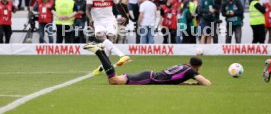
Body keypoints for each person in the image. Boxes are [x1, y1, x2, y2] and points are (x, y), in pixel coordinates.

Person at [83, 42, 211, 86]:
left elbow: (173, 78)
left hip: (149, 75)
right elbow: (207, 83)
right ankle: (99, 52)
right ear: (197, 67)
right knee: (113, 80)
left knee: (113, 81)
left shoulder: (183, 66)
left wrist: (189, 83)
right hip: (148, 78)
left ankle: (100, 50)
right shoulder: (191, 71)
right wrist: (198, 80)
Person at [86, 0, 130, 74]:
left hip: (110, 20)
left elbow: (119, 6)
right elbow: (87, 9)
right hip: (98, 21)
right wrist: (90, 18)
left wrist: (126, 17)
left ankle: (102, 67)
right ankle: (122, 56)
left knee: (110, 42)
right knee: (101, 37)